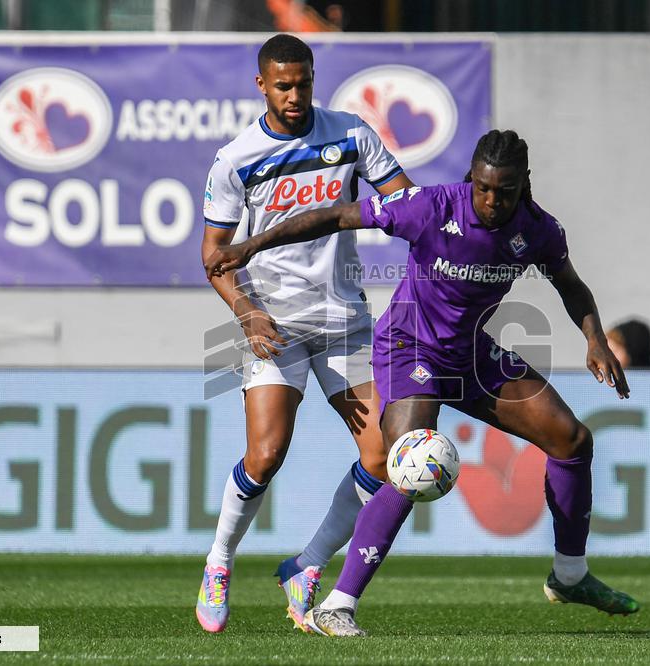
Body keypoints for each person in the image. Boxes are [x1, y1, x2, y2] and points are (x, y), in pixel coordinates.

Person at [206, 129, 640, 636]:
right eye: (482, 187)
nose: (491, 201)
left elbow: (572, 286)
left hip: (472, 354)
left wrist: (594, 340)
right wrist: (253, 244)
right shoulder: (429, 207)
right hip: (410, 349)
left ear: (524, 184)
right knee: (410, 463)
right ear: (470, 178)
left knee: (572, 440)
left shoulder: (539, 229)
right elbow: (333, 216)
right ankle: (337, 606)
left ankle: (570, 575)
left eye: (503, 191)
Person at [196, 34, 414, 633]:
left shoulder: (351, 135)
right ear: (261, 85)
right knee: (266, 455)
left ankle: (308, 564)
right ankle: (219, 562)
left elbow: (406, 205)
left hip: (345, 321)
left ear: (315, 78)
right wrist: (244, 310)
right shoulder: (236, 159)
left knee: (385, 458)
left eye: (305, 83)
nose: (295, 96)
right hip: (272, 322)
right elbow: (214, 256)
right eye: (283, 85)